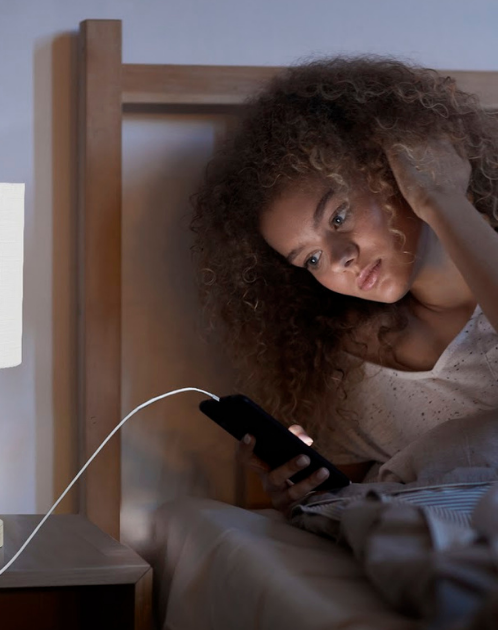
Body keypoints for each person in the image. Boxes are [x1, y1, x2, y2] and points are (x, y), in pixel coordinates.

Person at [191, 57, 498, 513]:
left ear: (394, 168)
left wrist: (442, 198)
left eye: (338, 216)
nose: (339, 259)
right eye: (311, 259)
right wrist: (300, 493)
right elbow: (356, 500)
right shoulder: (347, 368)